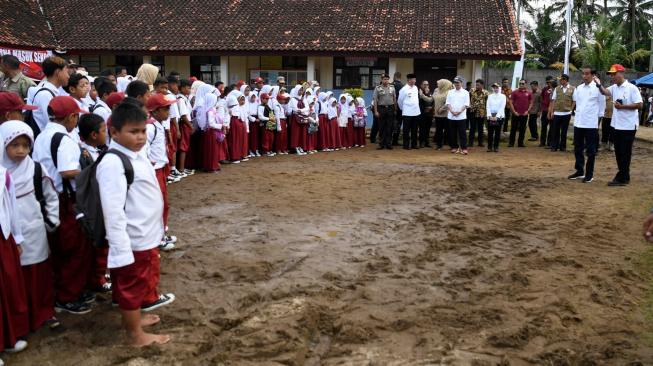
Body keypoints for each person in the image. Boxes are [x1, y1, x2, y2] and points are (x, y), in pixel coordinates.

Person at [97, 101, 174, 347]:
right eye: (133, 132)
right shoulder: (113, 163)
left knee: (136, 282)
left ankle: (134, 320)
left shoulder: (135, 154)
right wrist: (120, 248)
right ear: (114, 132)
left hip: (145, 234)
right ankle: (134, 336)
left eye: (143, 131)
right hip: (132, 238)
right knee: (132, 283)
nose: (140, 137)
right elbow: (112, 210)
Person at [32, 95, 93, 314]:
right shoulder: (64, 139)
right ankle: (68, 296)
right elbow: (67, 171)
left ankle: (65, 291)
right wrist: (90, 171)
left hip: (49, 198)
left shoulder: (41, 136)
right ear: (69, 117)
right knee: (74, 248)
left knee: (58, 247)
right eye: (76, 117)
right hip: (66, 199)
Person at [0, 120, 59, 333]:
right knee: (15, 280)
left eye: (25, 145)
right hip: (7, 235)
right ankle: (21, 321)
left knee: (38, 275)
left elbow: (50, 195)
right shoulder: (0, 173)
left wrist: (52, 219)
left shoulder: (35, 168)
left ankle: (43, 314)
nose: (21, 151)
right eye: (14, 145)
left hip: (34, 230)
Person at [0, 136, 30, 356]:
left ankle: (8, 339)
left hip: (3, 238)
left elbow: (11, 209)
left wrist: (17, 238)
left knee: (7, 288)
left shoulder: (3, 176)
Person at [595, 64, 643, 186]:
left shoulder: (632, 88)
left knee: (625, 152)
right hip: (616, 125)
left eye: (614, 74)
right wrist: (599, 85)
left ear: (621, 73)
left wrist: (623, 107)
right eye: (611, 74)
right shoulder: (614, 87)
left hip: (628, 126)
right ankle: (624, 176)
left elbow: (639, 105)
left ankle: (622, 177)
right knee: (618, 152)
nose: (612, 77)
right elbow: (605, 92)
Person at [145, 94, 178, 251]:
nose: (169, 112)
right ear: (156, 111)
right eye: (166, 109)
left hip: (160, 168)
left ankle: (162, 232)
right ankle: (157, 238)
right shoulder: (150, 127)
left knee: (164, 204)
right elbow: (144, 150)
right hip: (154, 170)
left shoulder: (158, 124)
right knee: (157, 205)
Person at [568, 67, 604, 183]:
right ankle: (579, 171)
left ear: (593, 75)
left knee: (591, 150)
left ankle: (589, 174)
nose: (584, 76)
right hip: (579, 122)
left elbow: (602, 106)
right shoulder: (579, 88)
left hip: (591, 124)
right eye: (583, 74)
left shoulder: (598, 89)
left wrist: (597, 122)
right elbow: (578, 104)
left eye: (587, 74)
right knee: (577, 148)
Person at [29, 56, 69, 134]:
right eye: (66, 71)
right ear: (58, 72)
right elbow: (53, 124)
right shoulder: (45, 95)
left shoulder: (55, 91)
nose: (68, 76)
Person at [548, 74, 575, 152]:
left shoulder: (572, 88)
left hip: (566, 113)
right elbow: (553, 100)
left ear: (566, 80)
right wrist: (552, 112)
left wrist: (571, 110)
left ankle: (563, 146)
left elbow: (574, 101)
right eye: (560, 80)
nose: (560, 81)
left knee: (564, 130)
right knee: (555, 130)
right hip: (557, 113)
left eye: (562, 80)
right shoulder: (557, 88)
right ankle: (554, 146)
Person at [446, 77, 470, 155]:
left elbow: (466, 104)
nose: (456, 84)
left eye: (458, 82)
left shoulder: (466, 92)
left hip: (461, 116)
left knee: (462, 133)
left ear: (461, 83)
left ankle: (464, 148)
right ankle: (454, 147)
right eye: (455, 83)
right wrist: (452, 111)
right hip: (451, 116)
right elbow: (448, 103)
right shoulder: (450, 92)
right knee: (452, 133)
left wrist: (459, 112)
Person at [175, 79, 194, 176]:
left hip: (186, 123)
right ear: (181, 88)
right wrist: (190, 126)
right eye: (188, 87)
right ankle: (181, 168)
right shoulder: (181, 99)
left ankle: (183, 167)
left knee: (185, 146)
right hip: (184, 124)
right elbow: (183, 115)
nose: (189, 90)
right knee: (183, 147)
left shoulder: (184, 98)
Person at [372, 74, 396, 150]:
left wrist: (395, 109)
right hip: (381, 108)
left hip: (390, 108)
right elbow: (375, 100)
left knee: (390, 127)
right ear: (381, 80)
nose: (386, 81)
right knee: (381, 127)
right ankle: (381, 144)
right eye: (384, 79)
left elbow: (394, 98)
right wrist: (376, 111)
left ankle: (388, 143)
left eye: (387, 79)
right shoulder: (377, 88)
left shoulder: (392, 88)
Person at [397, 74, 420, 150]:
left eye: (415, 80)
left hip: (416, 112)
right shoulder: (404, 89)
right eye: (414, 79)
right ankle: (406, 145)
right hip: (407, 112)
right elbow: (400, 101)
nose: (415, 81)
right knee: (406, 130)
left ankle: (414, 144)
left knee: (415, 129)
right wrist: (403, 109)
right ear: (409, 80)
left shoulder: (416, 88)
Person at [508, 79, 532, 147]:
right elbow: (510, 102)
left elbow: (531, 103)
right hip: (516, 113)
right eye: (520, 83)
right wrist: (514, 111)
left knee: (522, 129)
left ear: (526, 84)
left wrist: (527, 111)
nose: (521, 85)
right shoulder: (514, 92)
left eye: (523, 83)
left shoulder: (529, 93)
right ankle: (511, 143)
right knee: (513, 128)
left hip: (524, 114)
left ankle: (520, 143)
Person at [486, 83, 506, 152]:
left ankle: (496, 147)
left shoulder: (503, 96)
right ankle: (489, 147)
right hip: (490, 116)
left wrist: (496, 117)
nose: (495, 89)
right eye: (494, 87)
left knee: (497, 132)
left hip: (499, 116)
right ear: (492, 88)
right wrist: (489, 115)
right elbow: (488, 106)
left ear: (499, 88)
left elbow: (502, 107)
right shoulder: (490, 96)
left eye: (497, 87)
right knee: (490, 133)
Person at [468, 79, 489, 147]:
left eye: (478, 85)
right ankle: (470, 142)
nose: (476, 86)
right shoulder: (471, 91)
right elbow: (468, 99)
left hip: (481, 112)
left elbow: (487, 102)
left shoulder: (486, 93)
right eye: (476, 84)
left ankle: (480, 142)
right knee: (472, 128)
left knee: (480, 128)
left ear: (482, 85)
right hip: (473, 112)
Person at [433, 79, 452, 150]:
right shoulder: (436, 90)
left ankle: (451, 145)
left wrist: (442, 108)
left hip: (446, 114)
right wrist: (422, 95)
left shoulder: (449, 92)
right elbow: (431, 99)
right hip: (437, 114)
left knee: (448, 130)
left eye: (439, 84)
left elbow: (448, 102)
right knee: (438, 130)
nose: (438, 85)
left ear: (443, 84)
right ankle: (439, 145)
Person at [418, 80, 434, 148]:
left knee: (428, 129)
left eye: (427, 84)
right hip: (422, 113)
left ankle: (427, 142)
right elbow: (420, 101)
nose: (426, 86)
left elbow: (433, 101)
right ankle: (421, 142)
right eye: (424, 84)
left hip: (429, 114)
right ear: (421, 85)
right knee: (422, 129)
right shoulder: (419, 93)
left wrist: (431, 108)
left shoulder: (430, 93)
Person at [539, 76, 554, 147]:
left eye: (550, 82)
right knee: (544, 126)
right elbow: (541, 97)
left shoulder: (556, 89)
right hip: (545, 110)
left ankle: (549, 142)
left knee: (552, 127)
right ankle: (542, 142)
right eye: (547, 82)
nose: (549, 83)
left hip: (552, 111)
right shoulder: (545, 89)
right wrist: (543, 104)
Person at [391, 72, 403, 146]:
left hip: (390, 107)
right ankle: (395, 141)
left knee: (390, 124)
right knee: (398, 124)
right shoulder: (402, 86)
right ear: (400, 77)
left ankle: (388, 140)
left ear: (394, 76)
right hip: (399, 108)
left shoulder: (390, 85)